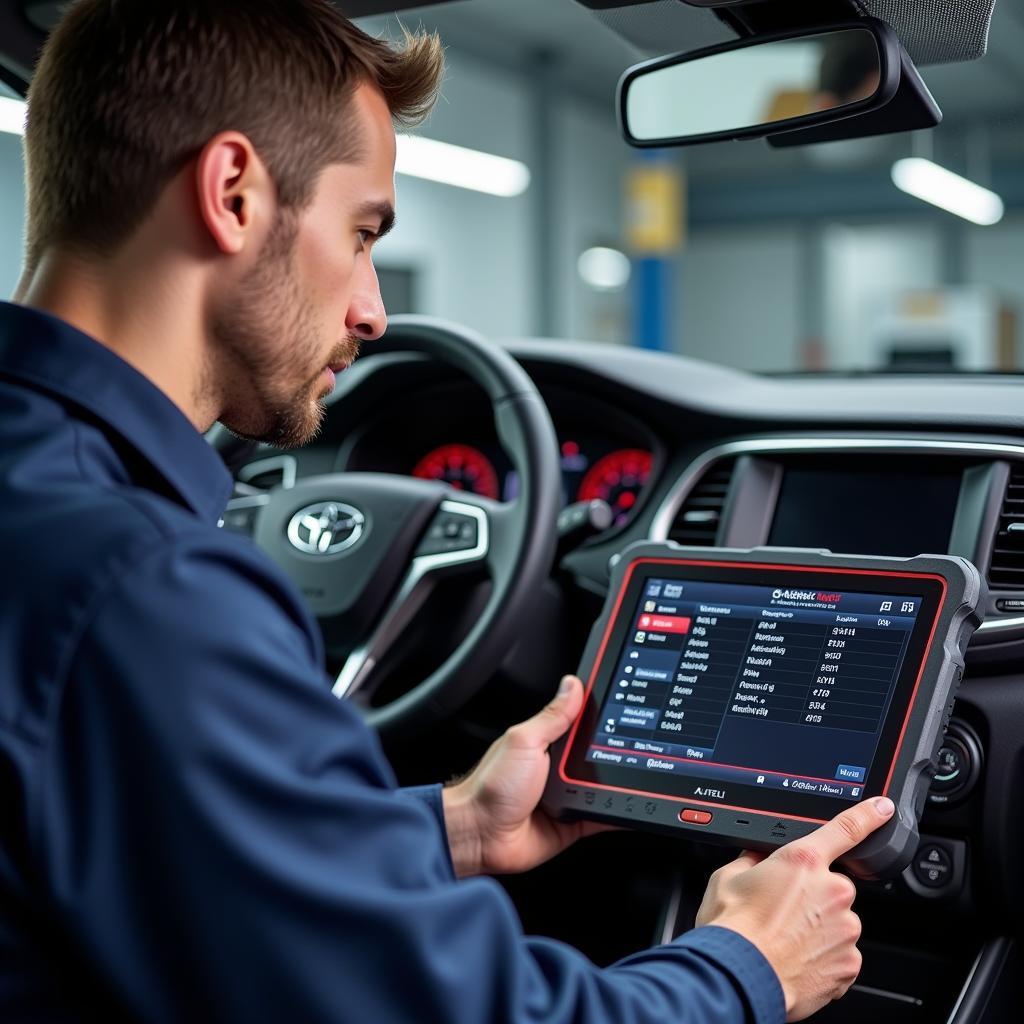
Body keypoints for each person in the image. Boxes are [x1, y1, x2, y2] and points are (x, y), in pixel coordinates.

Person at [0, 2, 891, 1021]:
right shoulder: (149, 589)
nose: (373, 310)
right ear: (233, 192)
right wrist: (743, 965)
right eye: (362, 232)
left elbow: (148, 845)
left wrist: (455, 825)